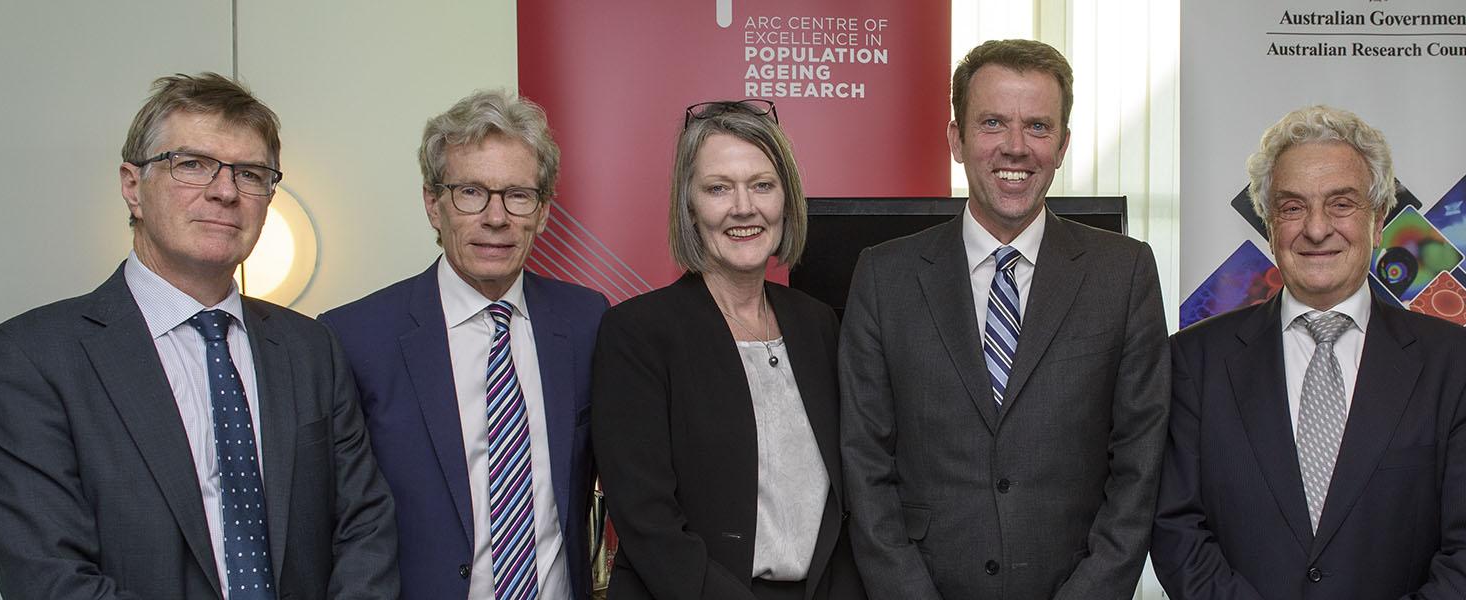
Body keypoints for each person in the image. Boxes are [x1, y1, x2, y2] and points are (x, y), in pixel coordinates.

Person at [0, 72, 397, 600]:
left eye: (250, 173)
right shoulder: (29, 360)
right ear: (132, 186)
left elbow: (365, 532)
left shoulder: (312, 350)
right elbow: (48, 579)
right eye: (192, 164)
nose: (224, 191)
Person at [839, 39, 1169, 600]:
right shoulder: (883, 276)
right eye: (992, 123)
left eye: (1038, 127)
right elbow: (865, 462)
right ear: (956, 139)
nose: (1015, 148)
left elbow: (1140, 460)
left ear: (1062, 145)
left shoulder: (1125, 272)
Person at [1149, 105, 1466, 599]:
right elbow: (1177, 531)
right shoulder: (1194, 362)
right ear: (1269, 224)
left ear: (1379, 220)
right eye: (1292, 208)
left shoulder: (1462, 366)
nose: (1317, 229)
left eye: (1341, 204)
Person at [320, 89, 608, 600]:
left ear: (542, 212)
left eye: (518, 195)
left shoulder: (586, 321)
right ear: (433, 204)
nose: (496, 218)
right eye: (470, 192)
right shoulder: (356, 337)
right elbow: (337, 523)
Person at [591, 99, 864, 599]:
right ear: (690, 207)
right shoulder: (637, 333)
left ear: (786, 199)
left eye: (762, 185)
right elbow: (648, 522)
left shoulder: (818, 324)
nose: (744, 207)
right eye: (718, 188)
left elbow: (843, 503)